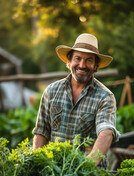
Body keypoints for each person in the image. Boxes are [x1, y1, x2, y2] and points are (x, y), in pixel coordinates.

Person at [32, 33, 119, 166]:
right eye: (77, 58)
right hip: (54, 173)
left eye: (89, 60)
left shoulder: (105, 97)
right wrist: (36, 164)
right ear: (69, 61)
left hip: (89, 174)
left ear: (96, 65)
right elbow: (41, 131)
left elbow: (106, 133)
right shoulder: (51, 91)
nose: (82, 65)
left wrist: (85, 167)